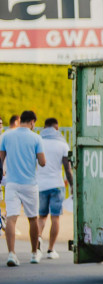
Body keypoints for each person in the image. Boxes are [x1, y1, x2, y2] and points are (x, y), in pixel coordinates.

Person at [1, 111, 46, 266]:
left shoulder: (6, 136)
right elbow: (42, 162)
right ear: (32, 122)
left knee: (11, 218)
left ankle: (12, 254)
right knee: (32, 218)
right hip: (29, 184)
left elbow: (1, 160)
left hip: (11, 183)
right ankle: (34, 253)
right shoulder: (36, 138)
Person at [36, 118, 73, 259]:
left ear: (45, 127)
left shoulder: (38, 141)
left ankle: (38, 241)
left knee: (41, 217)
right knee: (55, 218)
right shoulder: (62, 144)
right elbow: (67, 169)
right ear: (56, 128)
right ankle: (51, 250)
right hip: (57, 185)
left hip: (40, 185)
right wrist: (72, 185)